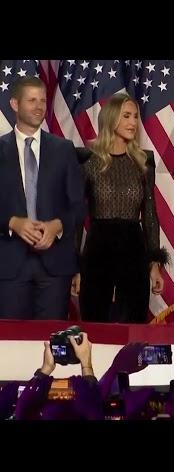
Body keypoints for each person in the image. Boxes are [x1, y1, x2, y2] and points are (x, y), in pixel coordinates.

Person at [73, 92, 169, 323]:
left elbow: (149, 213)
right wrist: (75, 267)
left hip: (133, 248)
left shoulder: (143, 162)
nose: (133, 122)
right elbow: (76, 217)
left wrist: (154, 264)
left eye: (135, 117)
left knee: (134, 323)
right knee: (95, 322)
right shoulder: (88, 161)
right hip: (98, 249)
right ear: (111, 118)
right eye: (126, 116)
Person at [0, 76, 84, 320]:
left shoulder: (64, 149)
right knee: (10, 347)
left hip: (55, 266)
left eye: (43, 101)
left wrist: (56, 225)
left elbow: (78, 206)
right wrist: (12, 222)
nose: (39, 106)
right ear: (15, 104)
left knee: (51, 341)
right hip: (9, 266)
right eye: (32, 100)